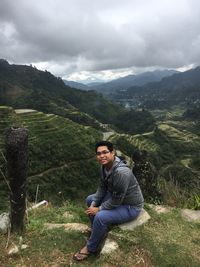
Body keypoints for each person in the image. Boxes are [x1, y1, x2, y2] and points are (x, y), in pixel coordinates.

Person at [73, 141, 144, 261]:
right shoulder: (105, 166)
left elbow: (117, 200)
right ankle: (98, 230)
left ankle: (91, 248)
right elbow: (102, 187)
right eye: (99, 153)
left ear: (113, 152)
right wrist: (94, 203)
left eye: (105, 152)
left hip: (130, 205)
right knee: (90, 199)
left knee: (100, 216)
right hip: (116, 198)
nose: (102, 156)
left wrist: (99, 208)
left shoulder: (121, 172)